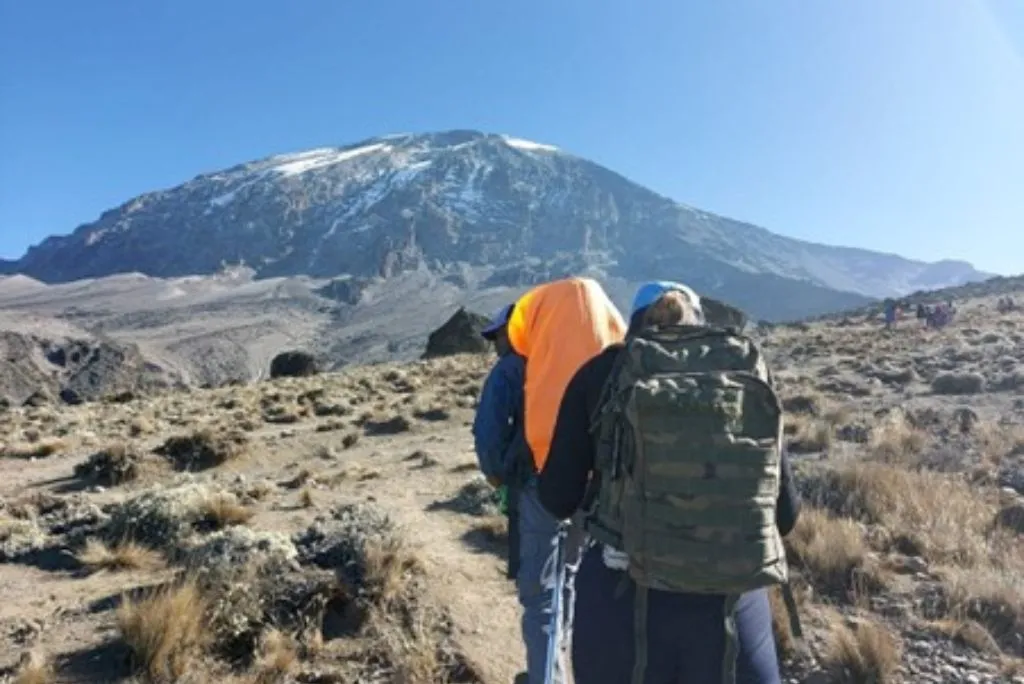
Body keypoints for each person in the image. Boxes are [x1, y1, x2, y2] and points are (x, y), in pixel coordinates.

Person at [538, 281, 803, 684]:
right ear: (700, 323)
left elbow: (557, 498)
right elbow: (785, 515)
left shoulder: (601, 372)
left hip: (622, 597)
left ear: (632, 326)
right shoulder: (744, 369)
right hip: (729, 602)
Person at [503, 276, 628, 684]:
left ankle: (546, 677)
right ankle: (561, 671)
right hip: (593, 485)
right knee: (569, 577)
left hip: (542, 479)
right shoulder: (611, 352)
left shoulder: (529, 353)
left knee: (541, 592)